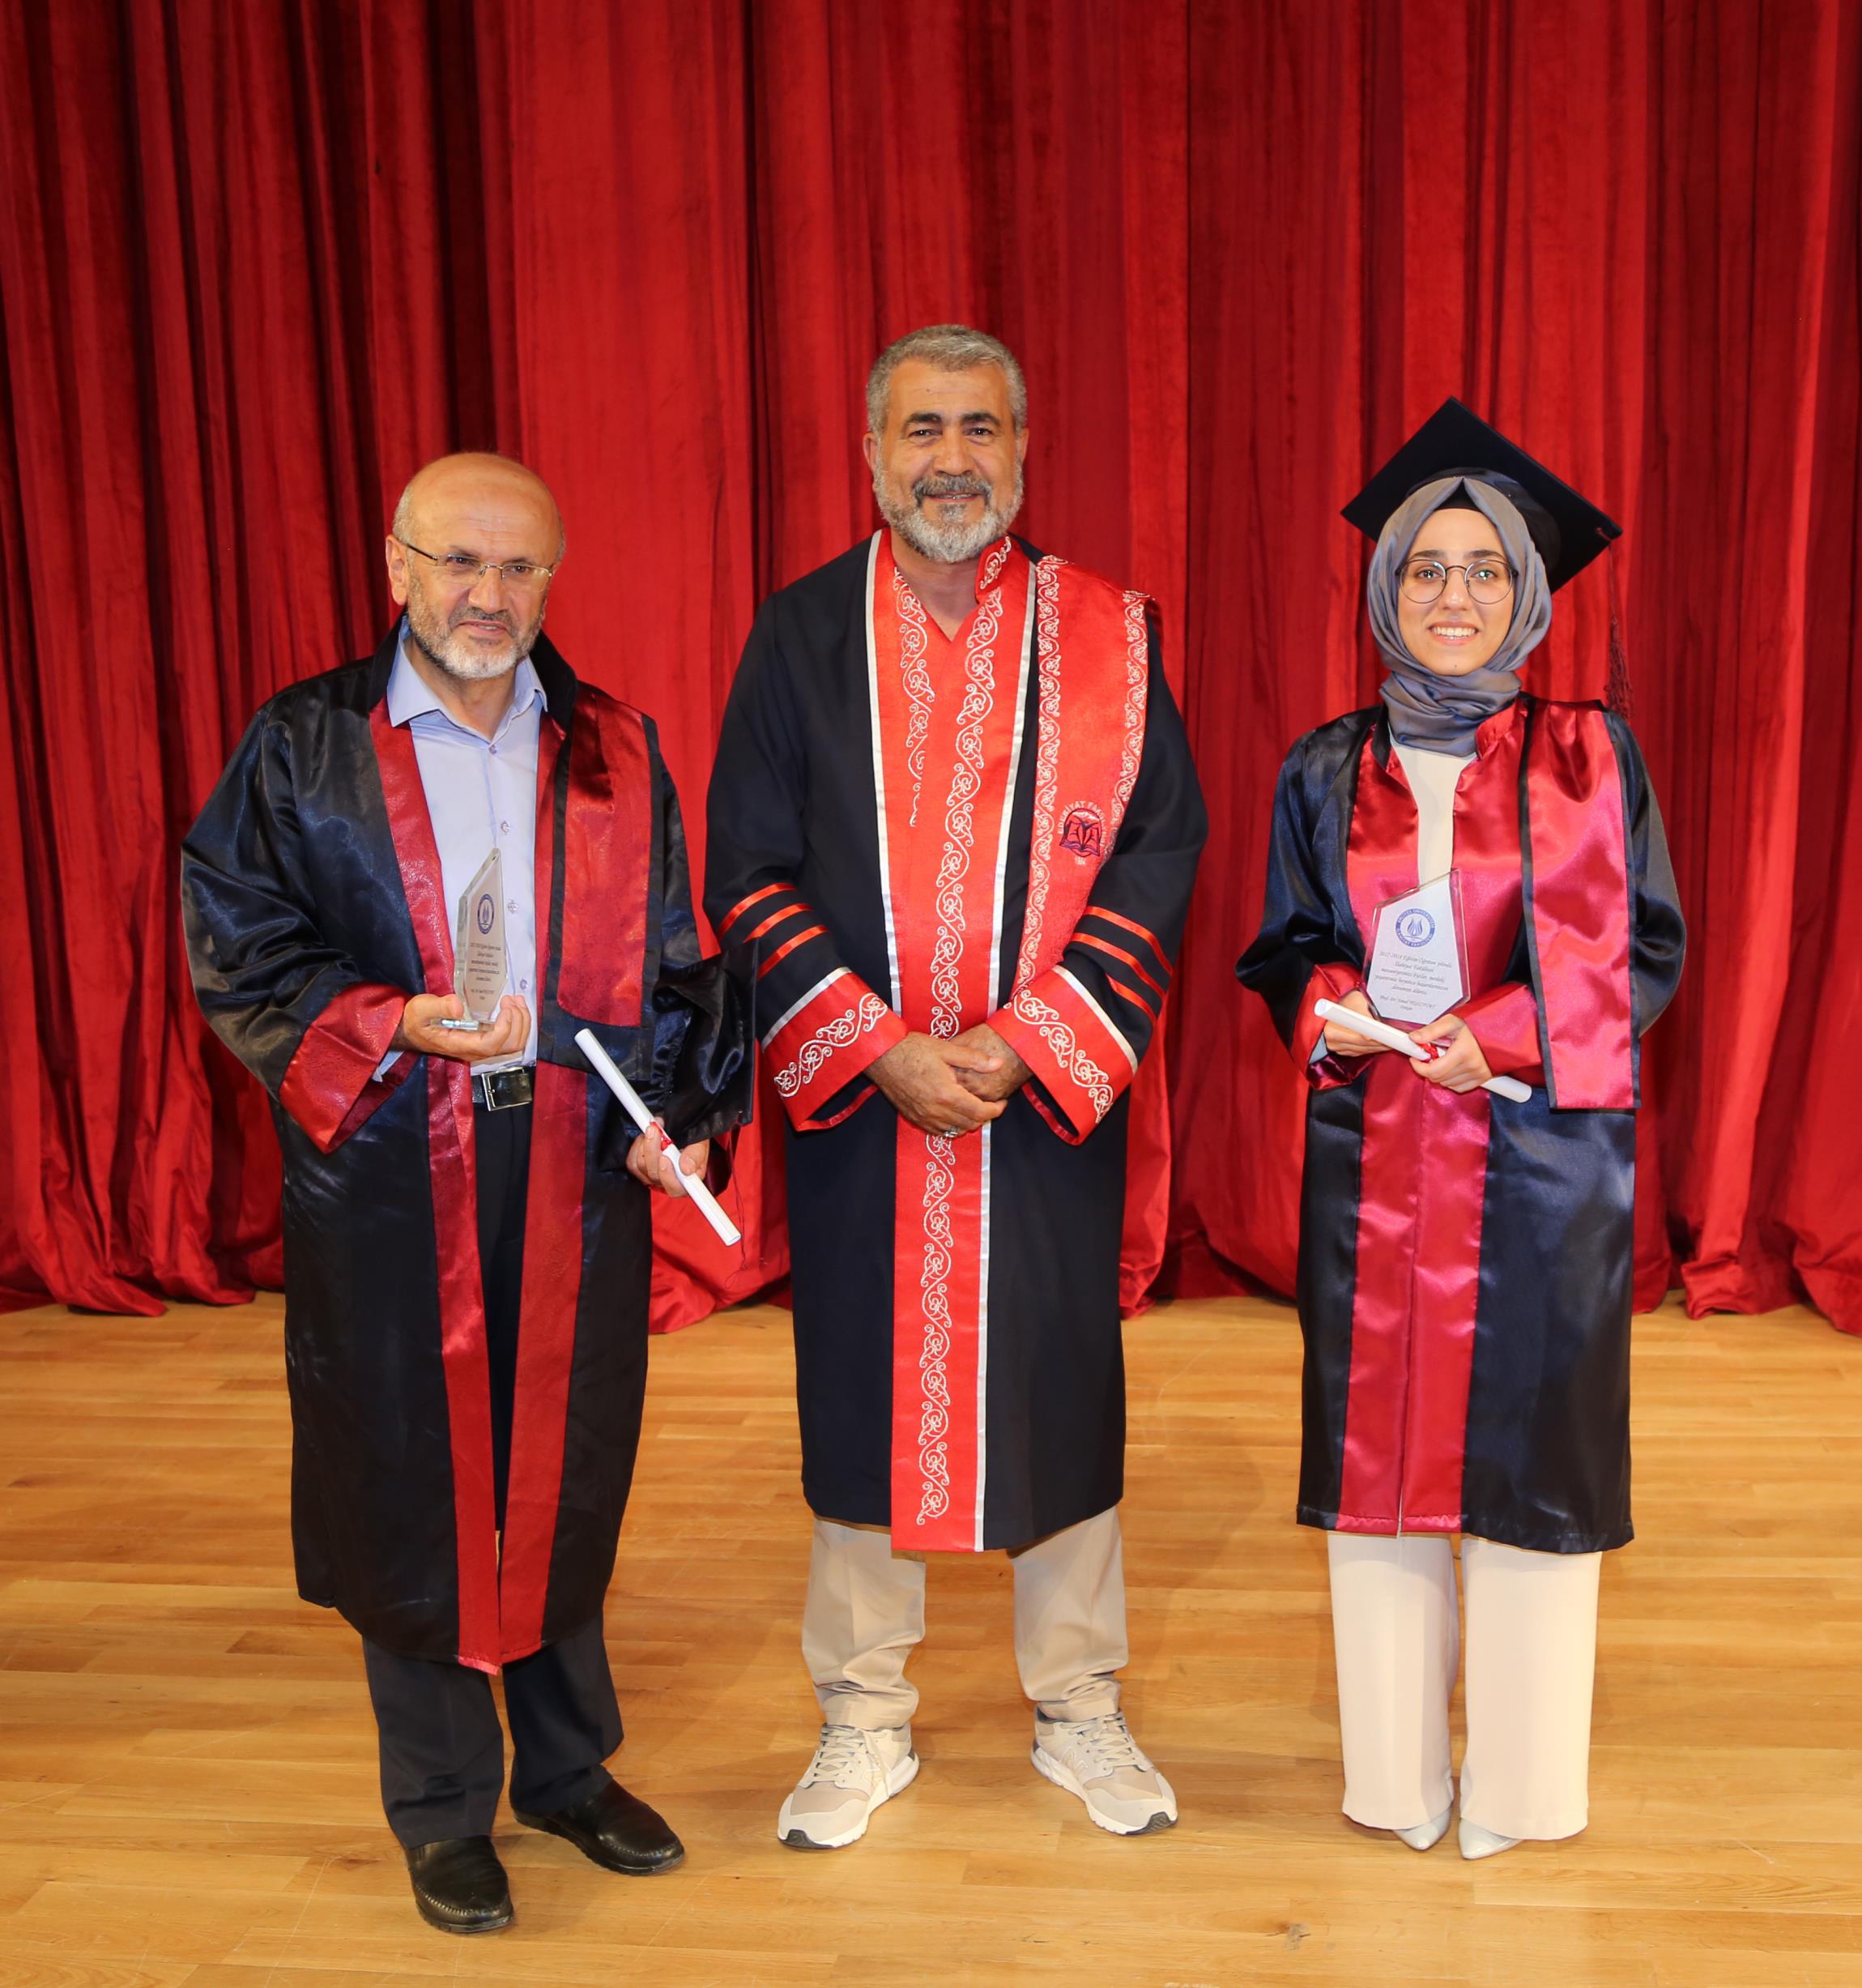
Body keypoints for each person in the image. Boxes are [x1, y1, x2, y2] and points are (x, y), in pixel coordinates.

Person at [181, 453, 749, 1935]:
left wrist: (676, 1116)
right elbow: (237, 936)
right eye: (458, 561)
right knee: (411, 1471)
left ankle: (566, 1772)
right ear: (398, 567)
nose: (487, 594)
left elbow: (677, 961)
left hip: (569, 1158)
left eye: (517, 567)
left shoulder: (611, 747)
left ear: (551, 580)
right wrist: (388, 1022)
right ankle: (441, 1805)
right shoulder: (305, 744)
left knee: (564, 1458)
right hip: (387, 1160)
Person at [705, 325, 1206, 1849]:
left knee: (1063, 1386)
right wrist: (878, 1048)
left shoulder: (1110, 638)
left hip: (1036, 1099)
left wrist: (1029, 1040)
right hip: (869, 1106)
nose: (951, 459)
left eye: (980, 428)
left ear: (1022, 449)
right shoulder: (798, 636)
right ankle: (863, 1714)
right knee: (863, 1392)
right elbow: (747, 868)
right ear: (871, 453)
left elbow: (1159, 854)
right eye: (921, 429)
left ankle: (1079, 1701)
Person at [1237, 400, 1685, 1860]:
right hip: (1377, 1157)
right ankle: (1397, 1780)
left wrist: (1495, 1034)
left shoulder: (1590, 759)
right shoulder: (1325, 766)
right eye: (1425, 567)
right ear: (1386, 588)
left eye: (1484, 567)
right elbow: (1287, 947)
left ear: (1528, 590)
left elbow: (1646, 951)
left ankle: (1524, 1790)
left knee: (1534, 1463)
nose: (1453, 593)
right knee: (1380, 1463)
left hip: (1543, 1166)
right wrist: (1339, 1009)